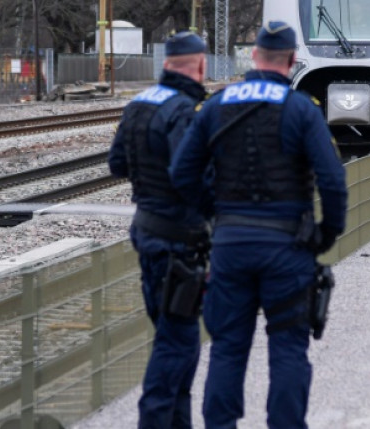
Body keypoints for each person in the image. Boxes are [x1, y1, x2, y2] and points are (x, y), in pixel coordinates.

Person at [170, 21, 348, 428]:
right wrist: (325, 234)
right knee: (288, 348)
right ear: (292, 60)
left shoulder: (216, 105)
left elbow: (182, 173)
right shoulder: (301, 108)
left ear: (253, 56)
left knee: (227, 348)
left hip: (230, 247)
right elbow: (332, 180)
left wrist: (216, 215)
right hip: (287, 248)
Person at [108, 30, 211, 429]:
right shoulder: (184, 111)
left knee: (176, 338)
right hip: (177, 243)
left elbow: (117, 164)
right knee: (177, 344)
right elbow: (190, 176)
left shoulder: (139, 103)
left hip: (148, 233)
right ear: (200, 65)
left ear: (166, 64)